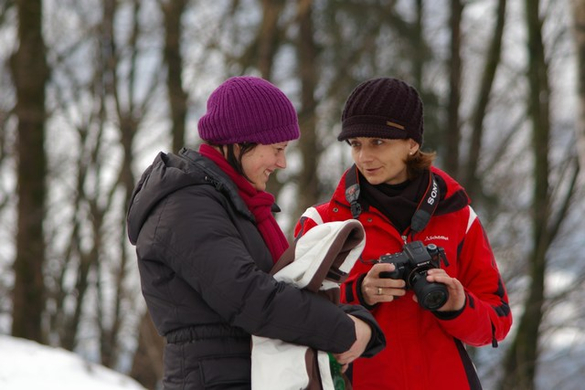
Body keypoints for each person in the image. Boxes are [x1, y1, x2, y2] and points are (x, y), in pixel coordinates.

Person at [126, 76, 385, 390]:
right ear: (239, 143)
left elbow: (286, 286)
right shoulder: (186, 207)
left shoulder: (237, 206)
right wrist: (343, 329)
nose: (282, 162)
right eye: (276, 148)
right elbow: (250, 297)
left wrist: (363, 325)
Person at [294, 77, 513, 390]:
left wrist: (459, 307)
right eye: (356, 144)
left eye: (378, 142)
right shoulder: (322, 222)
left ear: (412, 143)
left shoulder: (458, 216)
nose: (364, 157)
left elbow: (497, 323)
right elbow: (293, 313)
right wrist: (360, 293)